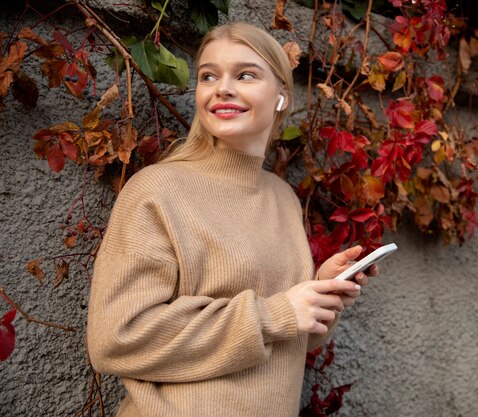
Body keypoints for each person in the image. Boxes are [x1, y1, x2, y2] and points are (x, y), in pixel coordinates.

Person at [87, 21, 378, 417]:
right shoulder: (157, 190)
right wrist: (276, 313)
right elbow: (115, 339)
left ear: (281, 97)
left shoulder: (282, 197)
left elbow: (283, 338)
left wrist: (319, 295)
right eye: (209, 76)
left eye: (245, 74)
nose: (222, 87)